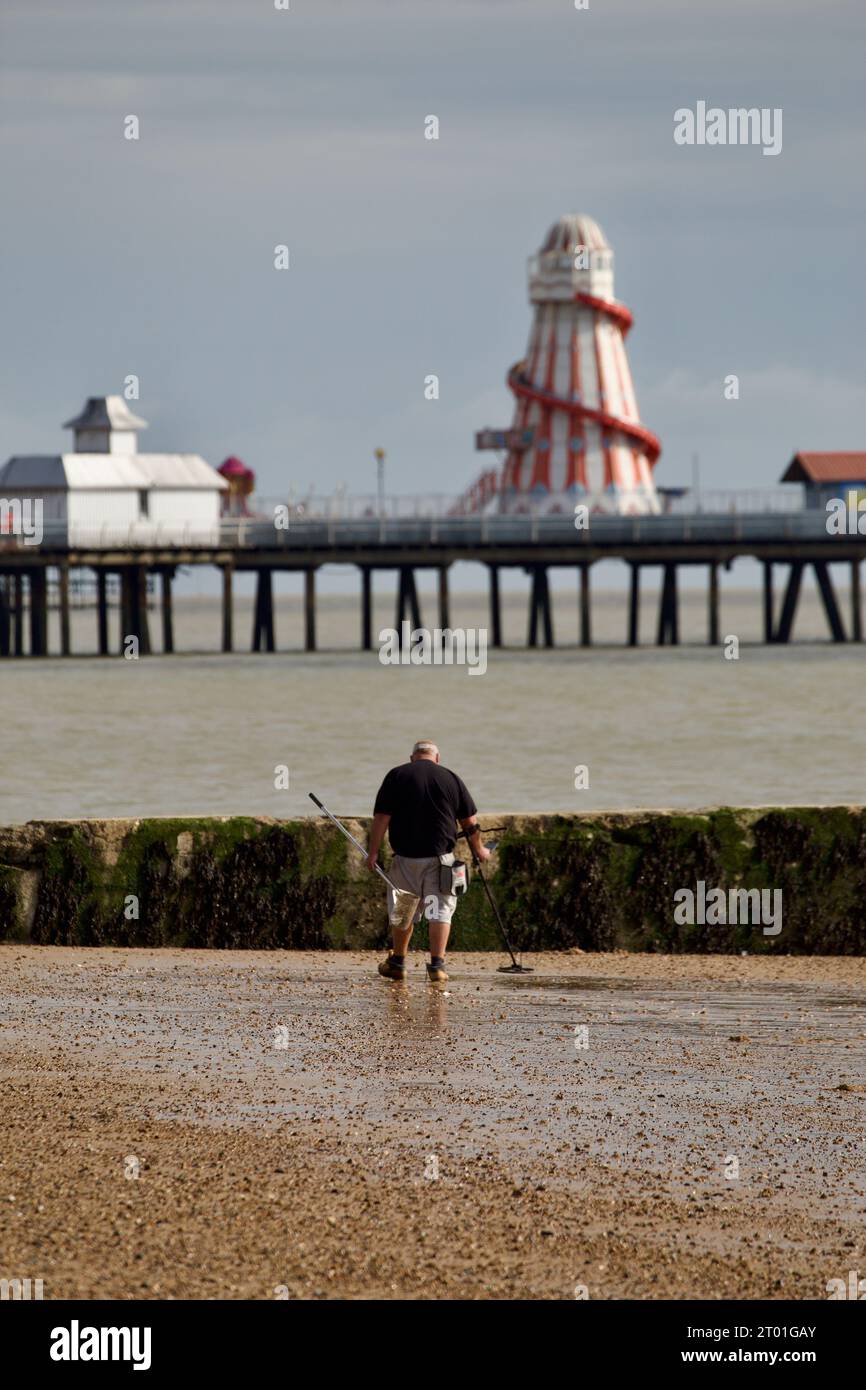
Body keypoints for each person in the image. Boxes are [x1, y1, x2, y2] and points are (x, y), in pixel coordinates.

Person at [366, 740, 489, 983]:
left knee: (404, 909)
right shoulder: (450, 778)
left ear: (413, 757)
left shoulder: (397, 775)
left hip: (405, 859)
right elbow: (470, 823)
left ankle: (398, 962)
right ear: (437, 758)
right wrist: (479, 851)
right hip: (441, 860)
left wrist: (373, 853)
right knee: (438, 910)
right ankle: (437, 966)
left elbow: (382, 818)